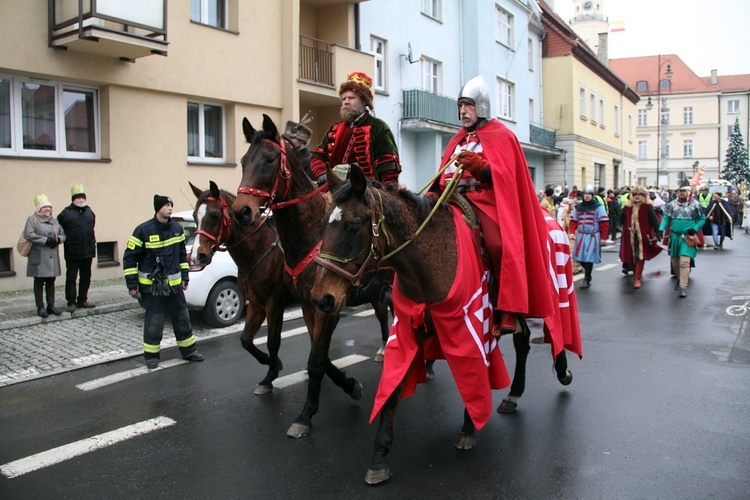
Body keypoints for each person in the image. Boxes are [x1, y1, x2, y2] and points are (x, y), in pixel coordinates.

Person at [435, 75, 556, 335]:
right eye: (460, 106)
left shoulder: (502, 135)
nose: (462, 111)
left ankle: (507, 309)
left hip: (486, 201)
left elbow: (508, 177)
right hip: (455, 200)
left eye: (468, 105)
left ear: (481, 106)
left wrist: (480, 167)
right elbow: (442, 174)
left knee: (498, 244)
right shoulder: (456, 140)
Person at [123, 195, 203, 369]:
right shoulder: (143, 230)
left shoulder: (177, 228)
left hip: (174, 287)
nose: (170, 208)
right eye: (166, 205)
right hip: (152, 288)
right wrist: (132, 284)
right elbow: (129, 259)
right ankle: (151, 356)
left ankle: (189, 351)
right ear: (158, 208)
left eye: (171, 205)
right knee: (155, 322)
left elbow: (182, 255)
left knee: (182, 319)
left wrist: (185, 277)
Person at [310, 71, 401, 185]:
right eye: (343, 99)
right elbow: (317, 156)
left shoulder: (379, 127)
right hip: (335, 190)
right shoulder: (334, 129)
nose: (346, 102)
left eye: (351, 98)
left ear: (364, 101)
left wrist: (387, 193)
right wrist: (322, 173)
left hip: (366, 194)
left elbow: (388, 164)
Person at [658, 186, 706, 298]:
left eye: (684, 191)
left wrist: (695, 228)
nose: (682, 193)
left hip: (687, 237)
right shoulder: (671, 204)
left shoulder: (695, 205)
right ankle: (680, 280)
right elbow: (666, 218)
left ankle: (683, 287)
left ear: (689, 192)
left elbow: (702, 219)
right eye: (680, 191)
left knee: (684, 261)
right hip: (675, 236)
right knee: (675, 262)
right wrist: (661, 229)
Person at [24, 194, 66, 317]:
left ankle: (51, 305)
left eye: (50, 207)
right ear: (39, 209)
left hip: (52, 256)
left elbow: (63, 234)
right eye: (45, 207)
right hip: (39, 256)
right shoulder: (32, 219)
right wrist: (46, 240)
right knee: (39, 282)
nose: (48, 209)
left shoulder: (55, 221)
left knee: (51, 281)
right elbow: (29, 234)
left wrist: (58, 239)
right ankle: (40, 307)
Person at [57, 184, 96, 312]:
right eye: (78, 198)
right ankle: (71, 302)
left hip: (88, 250)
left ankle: (83, 299)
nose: (81, 200)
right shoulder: (66, 213)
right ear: (73, 200)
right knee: (71, 277)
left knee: (86, 276)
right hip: (73, 251)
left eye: (83, 198)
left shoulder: (89, 212)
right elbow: (58, 227)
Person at [616, 186, 662, 288]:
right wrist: (618, 225)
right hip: (629, 235)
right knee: (630, 257)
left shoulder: (647, 206)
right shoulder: (628, 206)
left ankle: (637, 278)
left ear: (644, 196)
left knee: (640, 256)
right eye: (635, 194)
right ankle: (635, 273)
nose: (637, 197)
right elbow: (620, 217)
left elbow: (654, 220)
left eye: (640, 195)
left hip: (643, 235)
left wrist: (658, 232)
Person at [569, 185, 609, 289]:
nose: (587, 196)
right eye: (585, 194)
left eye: (589, 194)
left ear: (592, 195)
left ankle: (586, 278)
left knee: (589, 257)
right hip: (581, 235)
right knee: (578, 257)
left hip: (592, 236)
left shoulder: (599, 207)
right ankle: (588, 275)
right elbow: (573, 220)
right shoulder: (578, 207)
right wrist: (572, 232)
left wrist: (603, 237)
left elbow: (604, 223)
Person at [284, 114, 314, 181]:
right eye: (286, 138)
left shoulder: (310, 161)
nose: (288, 141)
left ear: (302, 141)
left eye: (292, 138)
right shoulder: (287, 158)